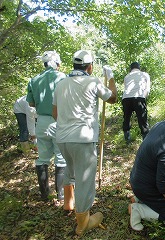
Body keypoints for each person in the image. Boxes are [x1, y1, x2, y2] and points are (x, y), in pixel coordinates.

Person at [52, 50, 117, 236]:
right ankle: (83, 223)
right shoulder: (93, 81)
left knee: (70, 171)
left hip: (63, 139)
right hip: (83, 139)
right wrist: (110, 77)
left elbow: (55, 114)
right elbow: (112, 98)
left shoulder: (61, 84)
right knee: (84, 180)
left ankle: (68, 204)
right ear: (89, 67)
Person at [26, 51, 67, 202]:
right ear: (57, 63)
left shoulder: (34, 79)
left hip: (41, 121)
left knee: (42, 158)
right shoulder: (63, 78)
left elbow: (30, 103)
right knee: (61, 158)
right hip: (58, 120)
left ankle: (44, 195)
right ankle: (61, 195)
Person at [121, 62, 151, 143]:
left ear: (131, 68)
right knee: (142, 120)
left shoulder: (127, 76)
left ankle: (127, 139)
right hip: (139, 97)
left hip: (126, 98)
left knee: (126, 118)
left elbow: (125, 87)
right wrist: (143, 98)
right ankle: (146, 141)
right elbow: (147, 89)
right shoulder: (144, 74)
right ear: (139, 68)